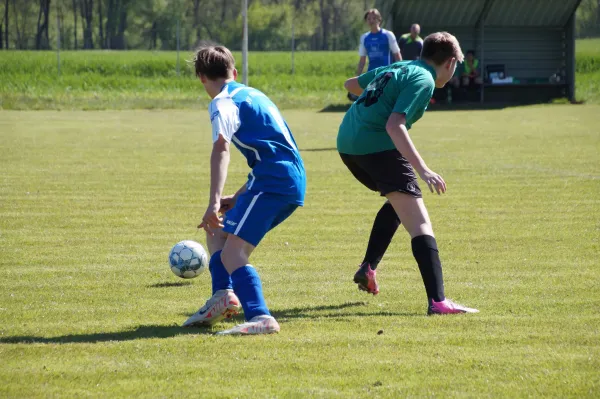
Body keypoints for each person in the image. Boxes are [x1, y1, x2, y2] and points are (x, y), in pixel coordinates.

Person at [339, 32, 478, 315]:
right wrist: (424, 169)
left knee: (399, 200)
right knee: (420, 223)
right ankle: (438, 302)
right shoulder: (424, 79)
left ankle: (368, 267)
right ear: (450, 63)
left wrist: (377, 98)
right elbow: (394, 125)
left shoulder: (397, 68)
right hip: (375, 145)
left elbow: (351, 85)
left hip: (348, 144)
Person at [183, 45, 306, 335]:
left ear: (201, 77)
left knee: (233, 254)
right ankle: (222, 296)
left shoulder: (222, 102)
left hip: (274, 181)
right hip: (281, 177)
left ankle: (261, 317)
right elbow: (274, 151)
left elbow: (221, 148)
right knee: (216, 231)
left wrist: (213, 201)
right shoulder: (254, 94)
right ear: (234, 72)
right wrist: (235, 198)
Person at [349, 8, 402, 101]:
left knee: (387, 100)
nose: (371, 21)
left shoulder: (388, 35)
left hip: (387, 74)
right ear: (366, 21)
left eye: (374, 18)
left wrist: (401, 73)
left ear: (379, 19)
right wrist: (358, 77)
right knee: (372, 101)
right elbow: (362, 60)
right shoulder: (364, 37)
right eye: (369, 19)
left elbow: (397, 55)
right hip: (372, 75)